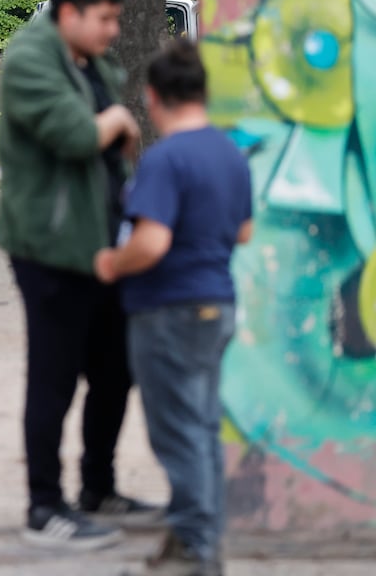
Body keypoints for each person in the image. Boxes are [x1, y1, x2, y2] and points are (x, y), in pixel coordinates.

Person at [0, 0, 158, 550]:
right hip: (51, 249)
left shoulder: (84, 58)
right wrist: (115, 118)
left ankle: (99, 488)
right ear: (69, 13)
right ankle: (44, 507)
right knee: (55, 376)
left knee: (116, 368)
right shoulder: (29, 61)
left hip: (101, 245)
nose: (114, 29)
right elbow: (74, 135)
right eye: (105, 18)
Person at [94, 42, 252, 576]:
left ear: (154, 97)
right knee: (202, 426)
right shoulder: (229, 152)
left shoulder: (166, 157)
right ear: (203, 93)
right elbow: (245, 230)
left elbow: (152, 243)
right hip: (218, 303)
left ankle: (194, 549)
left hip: (169, 309)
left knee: (177, 432)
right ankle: (201, 539)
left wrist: (113, 263)